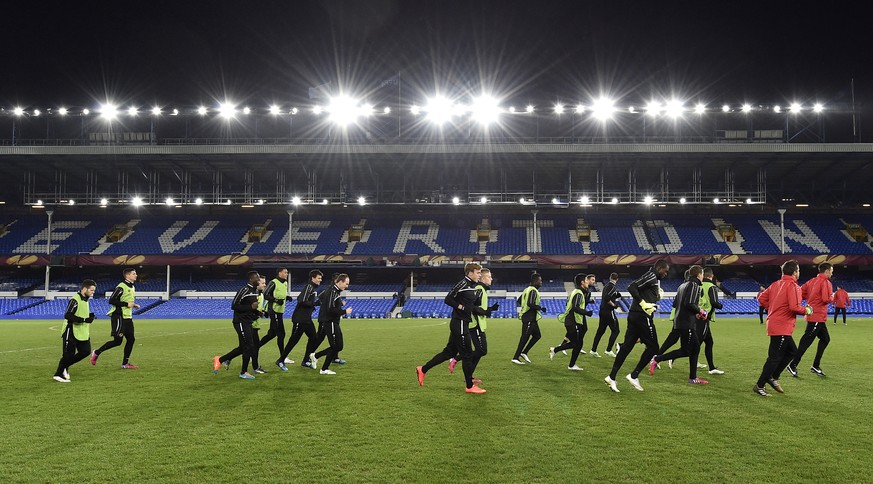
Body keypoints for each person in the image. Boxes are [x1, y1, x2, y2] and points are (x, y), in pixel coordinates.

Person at [416, 263, 486, 394]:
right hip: (459, 323)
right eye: (478, 272)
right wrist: (460, 307)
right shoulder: (463, 284)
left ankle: (422, 369)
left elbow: (472, 303)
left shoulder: (472, 286)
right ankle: (469, 386)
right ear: (470, 273)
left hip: (462, 323)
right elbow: (448, 299)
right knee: (467, 355)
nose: (479, 275)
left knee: (448, 353)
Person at [604, 260, 669, 393]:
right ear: (659, 268)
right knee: (653, 347)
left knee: (627, 346)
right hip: (642, 316)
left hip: (635, 315)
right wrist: (643, 303)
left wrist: (656, 296)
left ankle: (612, 377)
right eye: (665, 270)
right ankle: (634, 375)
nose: (666, 274)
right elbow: (631, 287)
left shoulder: (653, 279)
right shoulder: (651, 275)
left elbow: (642, 291)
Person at [753, 260, 810, 397]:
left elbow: (761, 298)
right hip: (781, 325)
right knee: (774, 358)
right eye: (798, 270)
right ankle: (760, 385)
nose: (799, 272)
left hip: (775, 323)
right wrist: (807, 310)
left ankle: (773, 376)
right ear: (795, 272)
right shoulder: (794, 286)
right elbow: (794, 307)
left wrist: (772, 308)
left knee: (792, 351)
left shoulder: (775, 284)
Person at [648, 265, 709, 387]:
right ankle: (657, 359)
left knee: (695, 348)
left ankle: (693, 377)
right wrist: (701, 311)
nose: (703, 277)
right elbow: (689, 303)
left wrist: (695, 313)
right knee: (686, 350)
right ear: (699, 275)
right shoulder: (694, 285)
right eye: (702, 274)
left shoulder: (682, 286)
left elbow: (677, 303)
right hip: (687, 322)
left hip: (680, 321)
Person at [449, 268, 499, 381]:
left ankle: (469, 377)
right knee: (481, 350)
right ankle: (456, 359)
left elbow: (478, 307)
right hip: (474, 325)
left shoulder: (481, 289)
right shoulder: (479, 289)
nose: (491, 279)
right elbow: (473, 308)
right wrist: (486, 311)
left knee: (480, 351)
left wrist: (490, 309)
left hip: (478, 324)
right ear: (482, 278)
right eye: (489, 276)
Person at [787, 262, 833, 378]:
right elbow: (825, 299)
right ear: (827, 271)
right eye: (831, 271)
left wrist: (810, 300)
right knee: (806, 341)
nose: (832, 273)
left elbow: (801, 292)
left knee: (825, 339)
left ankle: (815, 366)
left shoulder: (812, 281)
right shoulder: (826, 282)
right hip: (817, 316)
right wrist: (833, 297)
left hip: (814, 315)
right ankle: (792, 365)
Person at [213, 271, 262, 380]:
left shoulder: (255, 292)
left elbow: (251, 308)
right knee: (249, 346)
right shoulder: (244, 290)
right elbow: (234, 306)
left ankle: (220, 360)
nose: (259, 280)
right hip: (240, 322)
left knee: (243, 347)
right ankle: (243, 372)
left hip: (248, 322)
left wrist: (258, 313)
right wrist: (251, 307)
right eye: (257, 278)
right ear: (250, 279)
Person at [90, 268, 140, 369]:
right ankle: (97, 352)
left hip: (128, 317)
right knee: (118, 341)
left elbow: (126, 301)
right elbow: (112, 300)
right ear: (127, 276)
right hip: (119, 316)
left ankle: (125, 363)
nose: (136, 275)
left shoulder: (132, 287)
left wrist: (133, 305)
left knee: (131, 339)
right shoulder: (121, 286)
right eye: (134, 274)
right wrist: (127, 304)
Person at [53, 280, 97, 383]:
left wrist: (89, 317)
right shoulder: (75, 300)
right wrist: (84, 319)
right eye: (91, 290)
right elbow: (68, 315)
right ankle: (58, 374)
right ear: (84, 289)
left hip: (82, 331)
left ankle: (64, 367)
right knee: (68, 354)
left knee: (85, 351)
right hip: (71, 330)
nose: (93, 292)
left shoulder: (85, 300)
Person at [278, 269, 322, 370]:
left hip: (306, 319)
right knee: (294, 340)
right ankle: (281, 360)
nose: (320, 280)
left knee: (314, 338)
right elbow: (301, 300)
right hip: (300, 319)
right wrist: (314, 304)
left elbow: (302, 298)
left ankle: (305, 360)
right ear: (313, 278)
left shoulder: (312, 288)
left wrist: (312, 306)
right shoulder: (309, 287)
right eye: (319, 278)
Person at [308, 273, 352, 375]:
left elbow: (325, 302)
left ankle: (316, 356)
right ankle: (323, 368)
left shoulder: (334, 291)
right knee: (335, 346)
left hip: (334, 322)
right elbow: (330, 309)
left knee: (338, 346)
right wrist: (344, 312)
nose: (347, 286)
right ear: (340, 282)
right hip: (330, 322)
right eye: (346, 283)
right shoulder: (333, 292)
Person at [549, 273, 593, 370]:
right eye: (586, 280)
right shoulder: (578, 293)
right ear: (582, 282)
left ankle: (572, 365)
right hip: (572, 320)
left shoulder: (577, 292)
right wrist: (586, 312)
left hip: (575, 320)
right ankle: (555, 350)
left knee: (579, 343)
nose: (588, 282)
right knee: (575, 344)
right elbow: (575, 307)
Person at [259, 268, 292, 364]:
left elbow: (279, 294)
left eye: (287, 272)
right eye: (285, 272)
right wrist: (277, 300)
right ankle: (283, 357)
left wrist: (286, 297)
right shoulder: (273, 282)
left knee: (271, 334)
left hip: (280, 311)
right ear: (279, 273)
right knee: (281, 334)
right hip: (274, 311)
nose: (286, 274)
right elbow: (265, 294)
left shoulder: (285, 283)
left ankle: (255, 348)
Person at [512, 273, 545, 365]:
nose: (541, 282)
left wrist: (524, 306)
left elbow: (519, 300)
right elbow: (530, 303)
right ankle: (515, 357)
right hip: (529, 317)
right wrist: (540, 308)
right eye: (540, 280)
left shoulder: (527, 289)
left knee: (537, 336)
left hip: (531, 318)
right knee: (524, 337)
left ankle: (524, 352)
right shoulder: (533, 290)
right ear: (535, 281)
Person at [698, 268, 725, 375]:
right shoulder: (711, 287)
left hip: (697, 315)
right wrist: (720, 306)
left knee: (709, 342)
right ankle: (668, 357)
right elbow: (714, 302)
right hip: (704, 317)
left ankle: (712, 367)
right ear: (712, 276)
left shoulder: (698, 285)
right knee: (697, 343)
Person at [591, 272, 622, 358]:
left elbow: (607, 296)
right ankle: (608, 350)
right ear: (617, 279)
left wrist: (616, 295)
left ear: (610, 278)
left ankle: (593, 350)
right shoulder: (612, 287)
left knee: (600, 331)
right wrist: (614, 305)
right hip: (609, 311)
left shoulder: (606, 286)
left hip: (602, 311)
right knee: (616, 330)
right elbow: (607, 298)